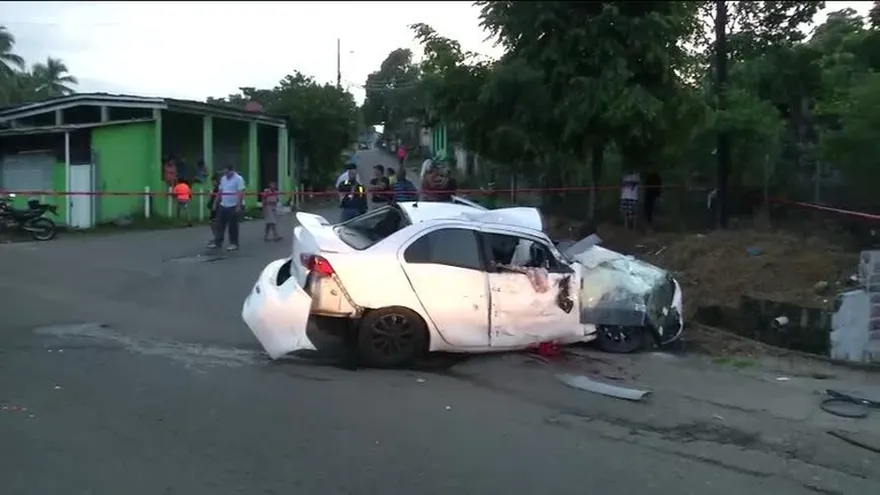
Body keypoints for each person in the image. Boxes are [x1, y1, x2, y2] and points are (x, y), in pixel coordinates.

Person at [208, 165, 246, 251]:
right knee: (219, 224)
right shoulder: (223, 179)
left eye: (227, 172)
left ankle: (234, 244)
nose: (226, 174)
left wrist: (238, 205)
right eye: (224, 172)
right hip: (223, 204)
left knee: (233, 226)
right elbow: (220, 191)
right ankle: (218, 242)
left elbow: (241, 192)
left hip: (233, 205)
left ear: (232, 170)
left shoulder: (238, 179)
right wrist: (215, 203)